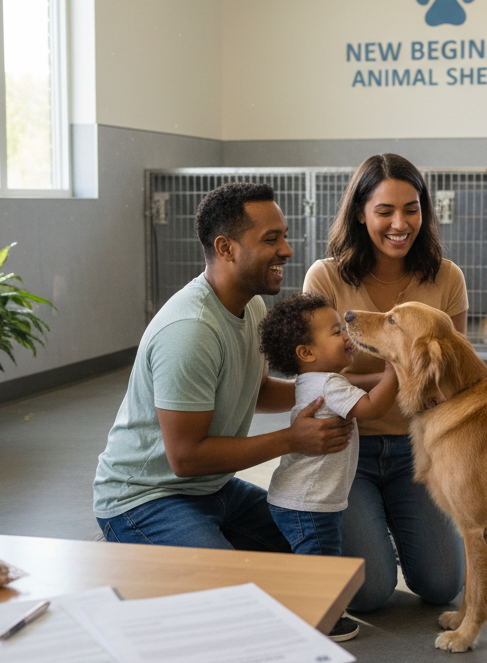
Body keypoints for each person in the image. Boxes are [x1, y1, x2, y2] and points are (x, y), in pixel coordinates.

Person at [94, 181, 353, 557]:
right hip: (146, 499)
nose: (287, 250)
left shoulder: (251, 307)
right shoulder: (191, 330)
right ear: (225, 248)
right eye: (271, 239)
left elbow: (256, 388)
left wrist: (342, 388)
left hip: (214, 488)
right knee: (232, 591)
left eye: (284, 236)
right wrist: (292, 439)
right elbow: (186, 458)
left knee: (315, 549)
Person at [302, 153, 468, 613]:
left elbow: (451, 377)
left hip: (419, 448)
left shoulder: (447, 278)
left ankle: (394, 525)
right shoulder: (325, 277)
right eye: (385, 211)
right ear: (360, 212)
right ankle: (374, 531)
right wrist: (403, 368)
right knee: (370, 594)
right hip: (345, 451)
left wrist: (370, 375)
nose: (401, 223)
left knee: (442, 585)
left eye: (411, 209)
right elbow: (317, 377)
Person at [257, 292, 399, 638]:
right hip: (310, 501)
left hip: (300, 496)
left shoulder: (310, 381)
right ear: (306, 353)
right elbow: (370, 410)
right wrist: (397, 366)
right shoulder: (330, 384)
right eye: (336, 332)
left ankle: (300, 604)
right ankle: (323, 620)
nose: (347, 336)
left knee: (313, 557)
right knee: (322, 561)